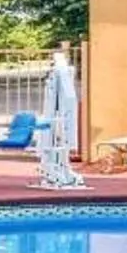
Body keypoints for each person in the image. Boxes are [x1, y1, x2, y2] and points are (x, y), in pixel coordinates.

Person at [39, 44, 88, 191]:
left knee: (62, 141)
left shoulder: (64, 78)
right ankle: (52, 169)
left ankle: (62, 168)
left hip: (63, 115)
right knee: (55, 138)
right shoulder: (55, 80)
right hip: (57, 117)